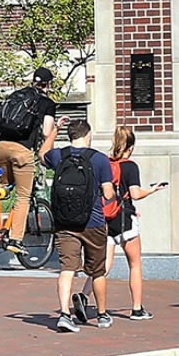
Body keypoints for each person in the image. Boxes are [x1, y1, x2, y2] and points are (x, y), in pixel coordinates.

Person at [44, 116, 118, 330]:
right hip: (92, 222)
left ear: (70, 136)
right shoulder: (99, 159)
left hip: (65, 222)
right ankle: (103, 315)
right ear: (88, 135)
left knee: (67, 268)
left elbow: (42, 154)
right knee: (97, 271)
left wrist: (54, 131)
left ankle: (65, 314)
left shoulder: (59, 155)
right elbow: (107, 191)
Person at [0, 66, 59, 247]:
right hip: (22, 151)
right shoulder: (46, 103)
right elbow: (46, 132)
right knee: (23, 196)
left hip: (1, 146)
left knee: (4, 186)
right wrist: (57, 128)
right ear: (48, 84)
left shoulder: (17, 94)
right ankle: (15, 239)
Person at [104, 124, 163, 322]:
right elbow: (135, 194)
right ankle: (137, 308)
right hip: (125, 220)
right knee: (135, 264)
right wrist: (153, 190)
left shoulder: (106, 164)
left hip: (107, 219)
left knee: (103, 267)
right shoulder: (130, 166)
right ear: (130, 147)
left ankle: (84, 297)